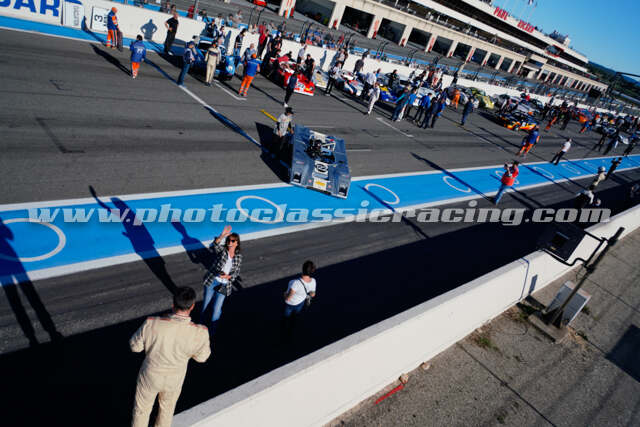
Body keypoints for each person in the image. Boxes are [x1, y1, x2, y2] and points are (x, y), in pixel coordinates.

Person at [130, 287, 210, 427]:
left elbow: (135, 347)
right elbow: (202, 358)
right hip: (175, 379)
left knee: (141, 411)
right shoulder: (200, 332)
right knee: (166, 411)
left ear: (173, 304)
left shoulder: (151, 323)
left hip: (150, 375)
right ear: (192, 306)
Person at [201, 225, 243, 329]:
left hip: (224, 285)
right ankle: (200, 327)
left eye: (233, 241)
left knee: (217, 308)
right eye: (228, 240)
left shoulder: (238, 257)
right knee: (205, 305)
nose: (230, 242)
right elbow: (214, 245)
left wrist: (228, 277)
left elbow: (236, 272)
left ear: (237, 243)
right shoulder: (223, 251)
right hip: (212, 281)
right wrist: (222, 235)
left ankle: (212, 330)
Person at [283, 260, 317, 334]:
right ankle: (292, 327)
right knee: (295, 315)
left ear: (303, 269)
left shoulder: (294, 283)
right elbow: (313, 294)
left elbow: (288, 298)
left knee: (286, 316)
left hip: (290, 304)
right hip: (301, 302)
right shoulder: (313, 281)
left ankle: (285, 328)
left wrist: (284, 294)